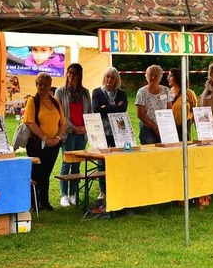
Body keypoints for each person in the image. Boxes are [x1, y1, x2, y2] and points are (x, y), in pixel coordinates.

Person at [24, 73, 65, 211]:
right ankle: (34, 202)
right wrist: (45, 138)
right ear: (36, 85)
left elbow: (63, 123)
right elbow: (30, 122)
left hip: (54, 144)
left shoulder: (55, 101)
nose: (42, 87)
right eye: (40, 84)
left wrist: (57, 138)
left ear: (50, 86)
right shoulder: (32, 101)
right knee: (36, 173)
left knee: (46, 173)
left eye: (45, 85)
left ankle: (45, 201)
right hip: (37, 143)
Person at [55, 63, 92, 207]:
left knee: (77, 165)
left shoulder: (85, 92)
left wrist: (85, 127)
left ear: (80, 75)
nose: (71, 76)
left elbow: (89, 111)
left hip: (82, 133)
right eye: (69, 73)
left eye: (75, 73)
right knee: (67, 163)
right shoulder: (60, 92)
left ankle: (73, 194)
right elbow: (61, 114)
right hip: (68, 133)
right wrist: (73, 128)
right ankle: (64, 195)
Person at [92, 67, 128, 203]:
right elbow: (96, 109)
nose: (109, 80)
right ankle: (103, 191)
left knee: (117, 159)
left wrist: (105, 107)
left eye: (112, 78)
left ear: (116, 80)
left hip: (118, 132)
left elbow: (123, 110)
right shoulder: (97, 92)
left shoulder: (122, 93)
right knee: (102, 162)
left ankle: (116, 188)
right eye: (107, 77)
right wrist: (114, 107)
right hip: (102, 131)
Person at [136, 65, 172, 144]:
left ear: (160, 77)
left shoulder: (166, 90)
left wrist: (165, 127)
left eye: (156, 75)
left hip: (163, 126)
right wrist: (155, 127)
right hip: (147, 126)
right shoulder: (141, 92)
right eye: (150, 75)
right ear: (146, 76)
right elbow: (140, 114)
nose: (153, 77)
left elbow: (169, 110)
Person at [168, 67, 198, 141]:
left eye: (171, 76)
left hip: (185, 127)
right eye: (168, 76)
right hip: (170, 127)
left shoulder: (189, 93)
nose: (168, 78)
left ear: (178, 77)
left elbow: (195, 109)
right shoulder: (168, 92)